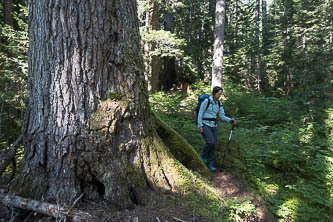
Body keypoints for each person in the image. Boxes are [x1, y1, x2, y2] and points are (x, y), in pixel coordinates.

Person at [197, 86, 234, 172]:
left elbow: (221, 115)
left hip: (214, 125)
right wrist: (200, 125)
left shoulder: (219, 104)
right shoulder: (207, 101)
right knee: (210, 142)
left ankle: (210, 163)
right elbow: (200, 113)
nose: (220, 95)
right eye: (219, 93)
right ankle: (202, 156)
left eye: (221, 94)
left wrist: (230, 120)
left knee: (214, 145)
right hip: (205, 124)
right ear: (214, 93)